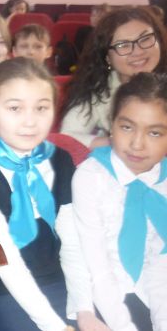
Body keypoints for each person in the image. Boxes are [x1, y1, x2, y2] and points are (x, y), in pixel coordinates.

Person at [0, 57, 101, 331]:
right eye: (15, 108)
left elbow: (72, 242)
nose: (30, 121)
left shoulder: (60, 160)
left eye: (41, 108)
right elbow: (9, 263)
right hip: (4, 291)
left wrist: (84, 310)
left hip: (60, 279)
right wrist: (55, 326)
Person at [72, 72, 167, 331]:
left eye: (155, 133)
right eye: (127, 127)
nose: (137, 144)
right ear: (111, 125)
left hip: (154, 290)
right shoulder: (91, 177)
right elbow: (97, 266)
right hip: (103, 294)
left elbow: (161, 264)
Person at [61, 6, 167, 147]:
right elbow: (67, 136)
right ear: (107, 57)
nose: (138, 51)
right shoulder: (99, 88)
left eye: (145, 39)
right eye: (123, 45)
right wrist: (115, 143)